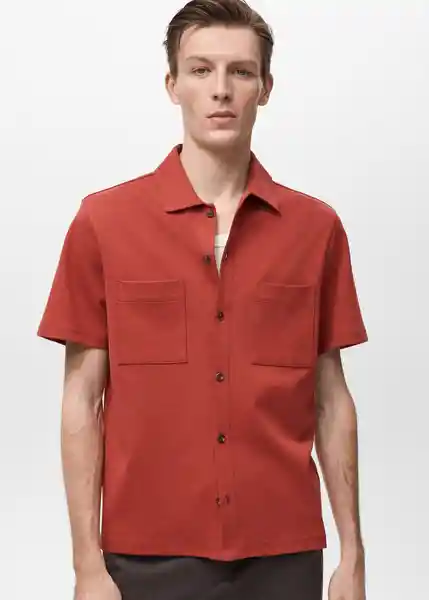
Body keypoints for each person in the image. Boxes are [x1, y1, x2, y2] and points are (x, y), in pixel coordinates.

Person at [37, 0, 368, 598]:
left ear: (265, 88)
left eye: (241, 71)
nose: (221, 90)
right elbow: (82, 400)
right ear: (172, 85)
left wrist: (352, 554)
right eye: (200, 69)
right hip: (145, 553)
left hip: (284, 551)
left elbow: (331, 399)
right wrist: (87, 564)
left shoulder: (315, 230)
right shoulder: (104, 223)